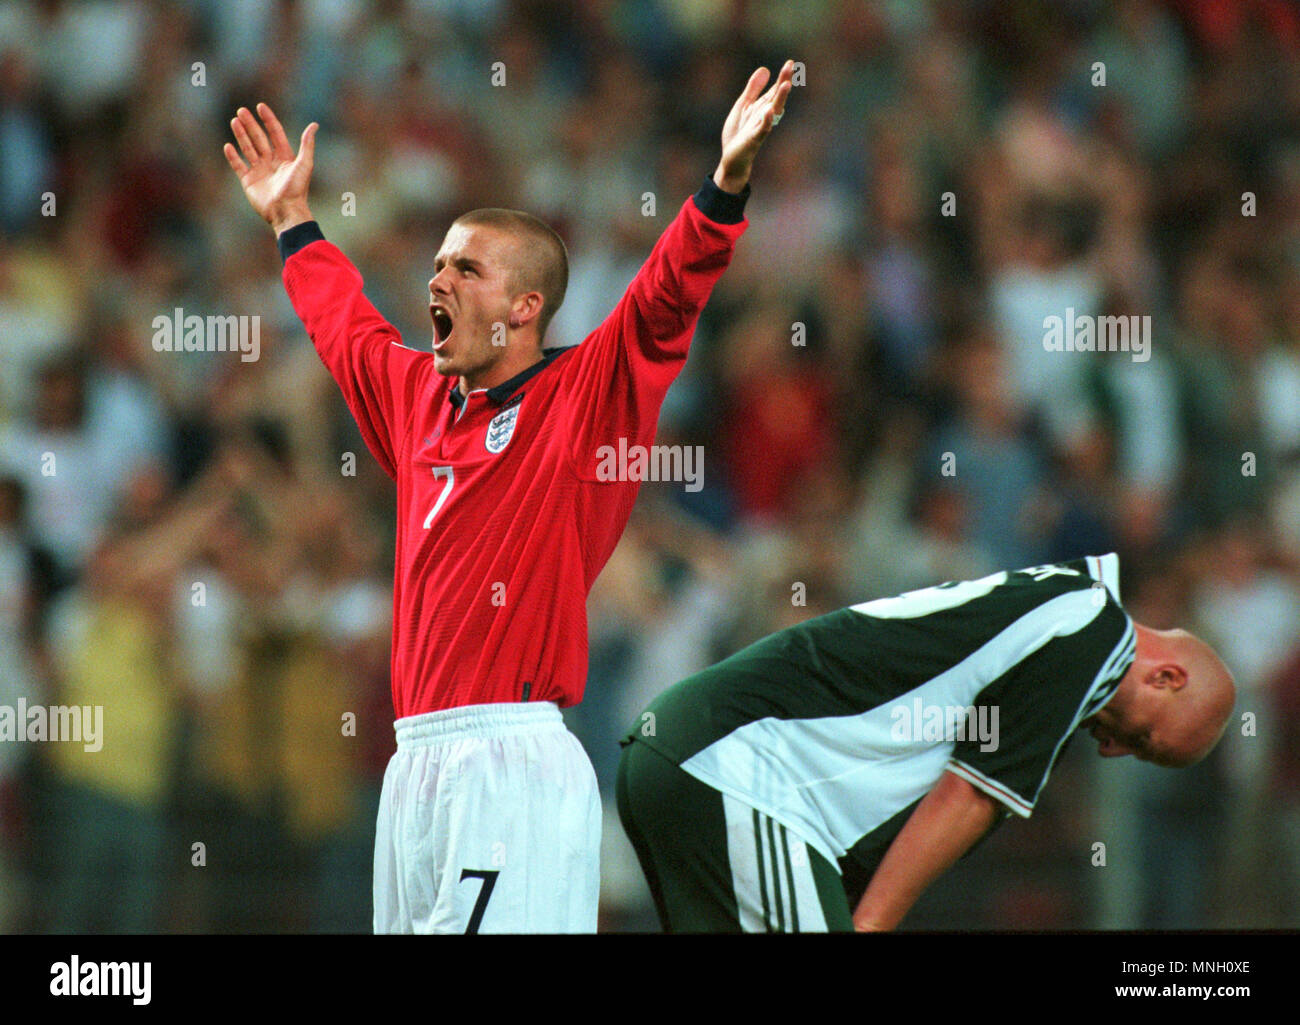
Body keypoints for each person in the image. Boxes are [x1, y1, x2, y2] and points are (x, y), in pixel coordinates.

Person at [222, 62, 795, 933]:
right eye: (439, 262)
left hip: (511, 757)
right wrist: (292, 220)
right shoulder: (418, 399)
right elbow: (345, 327)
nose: (438, 280)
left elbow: (663, 303)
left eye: (467, 268)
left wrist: (724, 185)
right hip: (412, 763)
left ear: (526, 307)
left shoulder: (578, 400)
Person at [617, 553, 1236, 932]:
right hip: (744, 774)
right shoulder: (1093, 636)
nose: (1112, 751)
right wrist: (872, 924)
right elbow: (969, 795)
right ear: (1165, 677)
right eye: (1143, 739)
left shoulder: (1063, 608)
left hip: (699, 762)